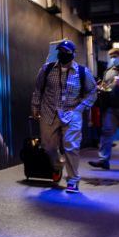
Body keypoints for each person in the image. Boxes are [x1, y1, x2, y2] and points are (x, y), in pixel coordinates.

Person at [30, 39, 97, 192]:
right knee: (48, 147)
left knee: (71, 146)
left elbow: (92, 92)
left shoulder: (82, 72)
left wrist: (80, 108)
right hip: (49, 113)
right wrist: (35, 107)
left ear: (73, 54)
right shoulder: (46, 69)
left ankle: (73, 180)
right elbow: (38, 90)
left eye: (66, 52)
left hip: (72, 114)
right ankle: (58, 165)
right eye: (60, 51)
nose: (63, 54)